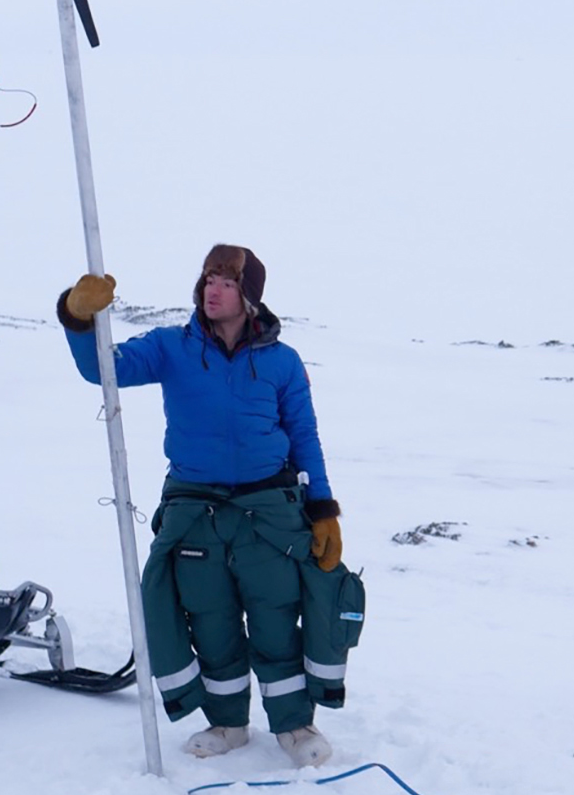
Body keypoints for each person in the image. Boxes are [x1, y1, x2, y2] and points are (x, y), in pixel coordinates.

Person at [58, 244, 356, 766]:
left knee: (275, 618)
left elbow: (304, 435)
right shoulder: (172, 347)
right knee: (211, 619)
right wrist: (78, 317)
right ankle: (227, 724)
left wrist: (322, 508)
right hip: (196, 510)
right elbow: (105, 369)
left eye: (225, 282)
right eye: (207, 280)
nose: (211, 290)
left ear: (250, 298)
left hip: (269, 510)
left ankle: (294, 726)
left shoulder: (281, 361)